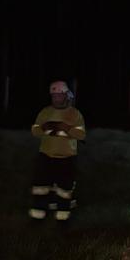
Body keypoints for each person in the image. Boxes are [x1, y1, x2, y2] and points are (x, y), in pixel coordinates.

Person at [29, 81, 85, 221]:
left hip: (67, 158)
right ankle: (38, 217)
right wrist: (44, 127)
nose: (56, 99)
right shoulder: (45, 112)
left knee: (64, 190)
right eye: (54, 96)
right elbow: (35, 131)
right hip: (46, 157)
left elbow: (81, 135)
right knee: (40, 187)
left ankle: (62, 219)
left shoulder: (74, 114)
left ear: (66, 96)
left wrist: (65, 127)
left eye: (59, 96)